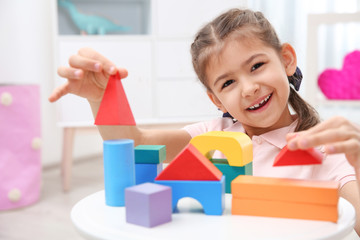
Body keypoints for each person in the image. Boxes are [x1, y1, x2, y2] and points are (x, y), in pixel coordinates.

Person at [50, 8, 360, 234]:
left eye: (256, 66)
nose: (249, 88)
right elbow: (135, 144)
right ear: (216, 100)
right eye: (228, 83)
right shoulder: (209, 137)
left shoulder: (325, 149)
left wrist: (357, 161)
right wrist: (102, 97)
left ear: (287, 60)